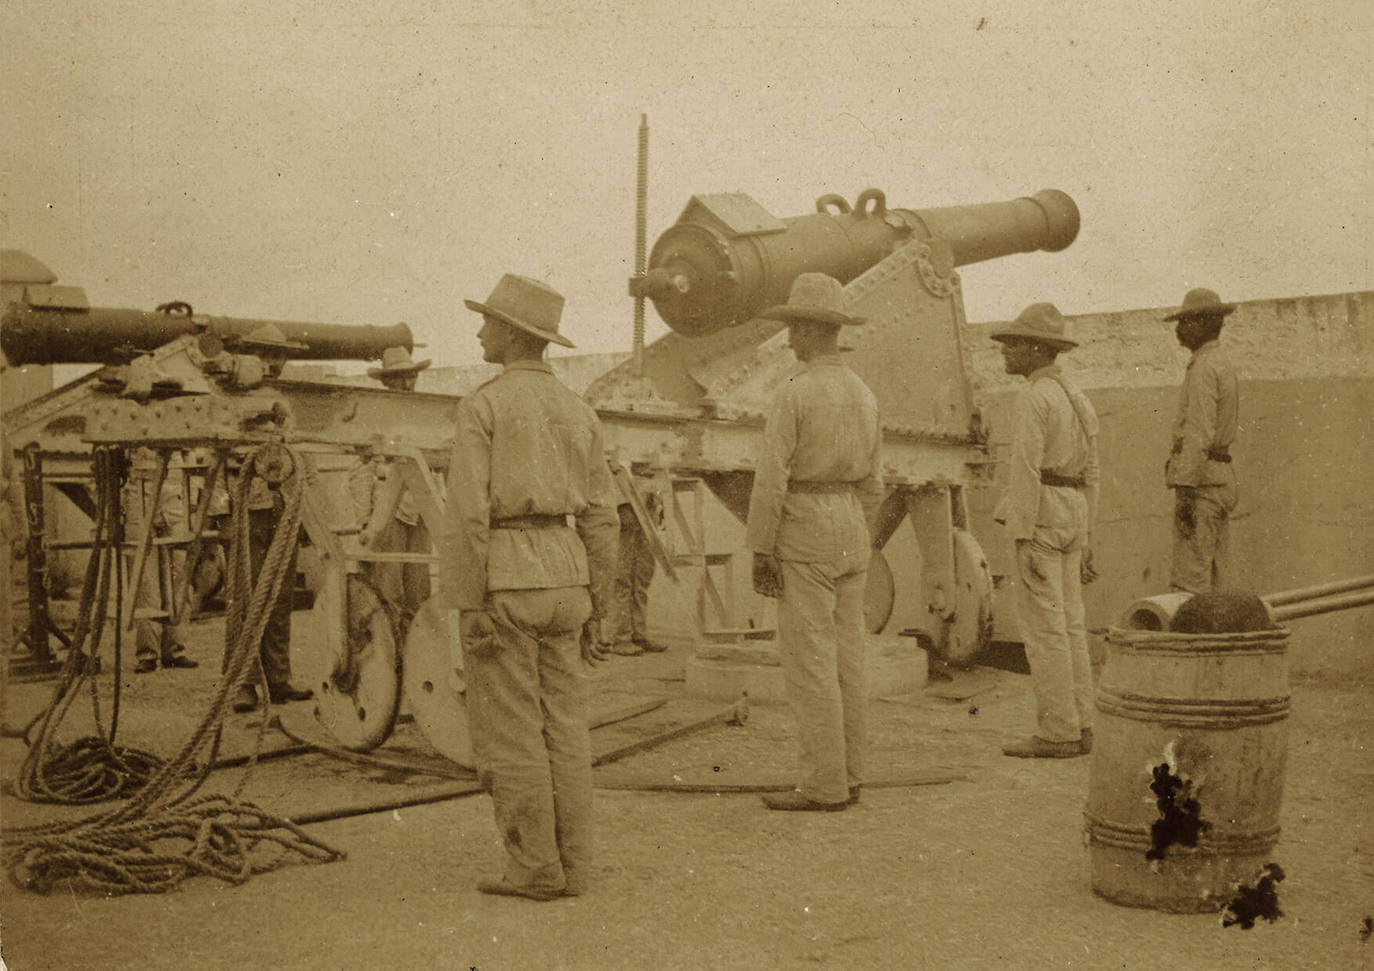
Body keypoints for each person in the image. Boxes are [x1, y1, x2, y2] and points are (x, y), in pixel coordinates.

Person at [442, 273, 618, 900]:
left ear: (513, 334)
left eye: (488, 321)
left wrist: (466, 600)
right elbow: (603, 513)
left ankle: (534, 869)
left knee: (513, 732)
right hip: (568, 575)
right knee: (567, 729)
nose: (480, 330)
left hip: (508, 578)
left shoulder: (484, 404)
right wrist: (603, 602)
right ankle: (577, 866)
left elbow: (466, 512)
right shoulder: (578, 409)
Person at [744, 272, 883, 812]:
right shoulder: (864, 394)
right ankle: (850, 775)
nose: (789, 339)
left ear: (807, 329)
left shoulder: (797, 393)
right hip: (851, 522)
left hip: (805, 523)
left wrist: (762, 547)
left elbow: (771, 476)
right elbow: (874, 482)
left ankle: (822, 784)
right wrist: (857, 528)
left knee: (811, 663)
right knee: (850, 658)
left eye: (793, 329)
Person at [991, 303, 1099, 759]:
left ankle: (1058, 731)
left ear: (1038, 349)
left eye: (1014, 343)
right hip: (1073, 511)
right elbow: (1093, 471)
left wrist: (1021, 532)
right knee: (1072, 626)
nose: (1005, 351)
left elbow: (1025, 469)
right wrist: (1088, 533)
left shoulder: (1035, 397)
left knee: (1045, 629)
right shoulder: (1076, 395)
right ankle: (1084, 723)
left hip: (1042, 514)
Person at [227, 324, 314, 712]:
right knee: (248, 598)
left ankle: (278, 678)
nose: (273, 363)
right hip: (251, 509)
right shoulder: (234, 398)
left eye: (278, 355)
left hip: (284, 507)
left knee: (280, 598)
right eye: (265, 355)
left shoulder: (285, 401)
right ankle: (242, 682)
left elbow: (299, 455)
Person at [350, 346, 433, 625]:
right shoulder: (373, 415)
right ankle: (389, 660)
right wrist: (365, 521)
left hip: (422, 509)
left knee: (419, 590)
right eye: (399, 378)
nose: (407, 384)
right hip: (388, 514)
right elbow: (361, 471)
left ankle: (415, 659)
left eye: (411, 377)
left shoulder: (425, 415)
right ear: (386, 381)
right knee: (388, 590)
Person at [1163, 288, 1239, 594]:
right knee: (1217, 580)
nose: (1179, 329)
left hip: (1202, 485)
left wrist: (1184, 491)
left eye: (1187, 321)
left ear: (1208, 324)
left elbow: (1199, 433)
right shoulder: (1220, 363)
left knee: (1190, 583)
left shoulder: (1205, 367)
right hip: (1219, 480)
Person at [124, 448, 198, 673]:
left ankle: (175, 649)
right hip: (139, 496)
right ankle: (148, 653)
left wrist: (192, 499)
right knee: (144, 580)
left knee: (179, 577)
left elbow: (191, 454)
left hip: (175, 498)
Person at [609, 466, 667, 656]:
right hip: (624, 502)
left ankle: (639, 634)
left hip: (648, 502)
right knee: (622, 576)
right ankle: (620, 637)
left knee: (642, 575)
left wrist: (661, 501)